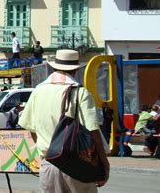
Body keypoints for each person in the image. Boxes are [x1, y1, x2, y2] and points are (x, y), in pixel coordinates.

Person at [19, 49, 110, 192]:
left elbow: (31, 129)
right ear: (75, 70)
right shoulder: (80, 92)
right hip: (77, 164)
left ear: (54, 67)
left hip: (48, 163)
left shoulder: (38, 91)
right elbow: (93, 131)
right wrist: (104, 164)